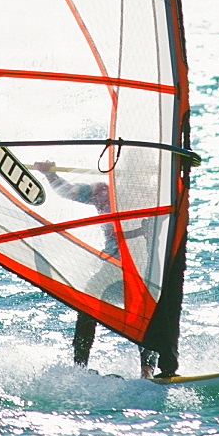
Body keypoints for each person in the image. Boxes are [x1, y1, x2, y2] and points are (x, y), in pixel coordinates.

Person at [34, 160, 160, 378]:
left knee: (149, 315)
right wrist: (50, 175)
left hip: (144, 273)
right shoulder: (104, 192)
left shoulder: (156, 195)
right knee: (86, 304)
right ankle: (79, 367)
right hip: (112, 268)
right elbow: (70, 192)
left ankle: (147, 371)